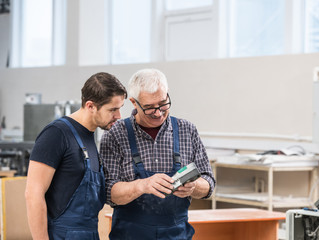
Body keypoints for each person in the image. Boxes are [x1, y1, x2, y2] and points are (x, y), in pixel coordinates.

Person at [100, 68, 216, 239]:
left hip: (177, 234)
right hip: (129, 234)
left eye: (163, 104)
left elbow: (209, 184)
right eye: (149, 107)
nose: (158, 112)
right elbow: (108, 192)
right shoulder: (115, 134)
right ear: (134, 102)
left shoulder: (187, 130)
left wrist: (194, 186)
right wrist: (142, 185)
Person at [25, 72, 127, 240]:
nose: (118, 116)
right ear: (90, 106)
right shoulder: (56, 134)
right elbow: (33, 194)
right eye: (113, 110)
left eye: (120, 109)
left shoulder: (89, 137)